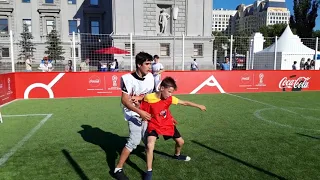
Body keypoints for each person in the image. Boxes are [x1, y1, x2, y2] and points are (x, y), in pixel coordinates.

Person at [140, 76, 206, 180]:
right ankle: (148, 171)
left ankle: (177, 155)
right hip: (154, 123)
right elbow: (142, 103)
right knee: (149, 145)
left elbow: (184, 102)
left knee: (181, 142)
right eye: (169, 91)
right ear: (162, 88)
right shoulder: (149, 97)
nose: (170, 94)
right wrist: (136, 103)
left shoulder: (170, 98)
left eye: (172, 92)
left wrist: (198, 105)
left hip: (167, 123)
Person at [114, 52, 155, 180]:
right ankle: (117, 169)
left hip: (145, 111)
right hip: (132, 113)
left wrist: (140, 98)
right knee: (134, 140)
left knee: (148, 138)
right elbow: (125, 101)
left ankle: (148, 164)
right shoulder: (127, 78)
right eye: (147, 64)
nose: (150, 67)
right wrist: (139, 112)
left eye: (150, 64)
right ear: (139, 64)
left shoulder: (151, 77)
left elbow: (150, 96)